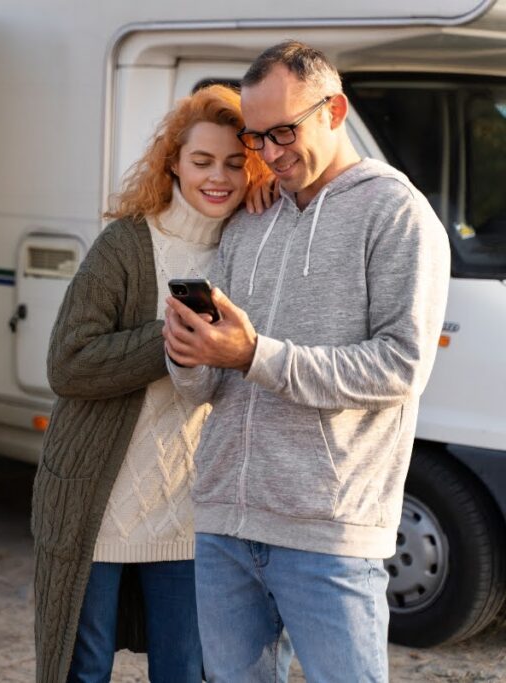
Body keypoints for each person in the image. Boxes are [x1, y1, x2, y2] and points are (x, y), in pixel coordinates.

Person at [163, 41, 451, 682]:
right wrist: (189, 353)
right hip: (225, 524)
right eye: (257, 137)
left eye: (284, 132)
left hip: (330, 532)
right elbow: (204, 388)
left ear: (335, 110)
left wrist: (254, 354)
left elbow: (400, 367)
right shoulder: (249, 220)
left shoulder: (396, 214)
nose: (268, 154)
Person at [31, 84, 270, 683]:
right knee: (82, 669)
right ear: (173, 163)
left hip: (192, 511)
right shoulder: (126, 244)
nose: (218, 177)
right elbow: (67, 363)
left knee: (183, 671)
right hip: (97, 502)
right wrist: (170, 336)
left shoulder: (251, 248)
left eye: (235, 163)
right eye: (202, 160)